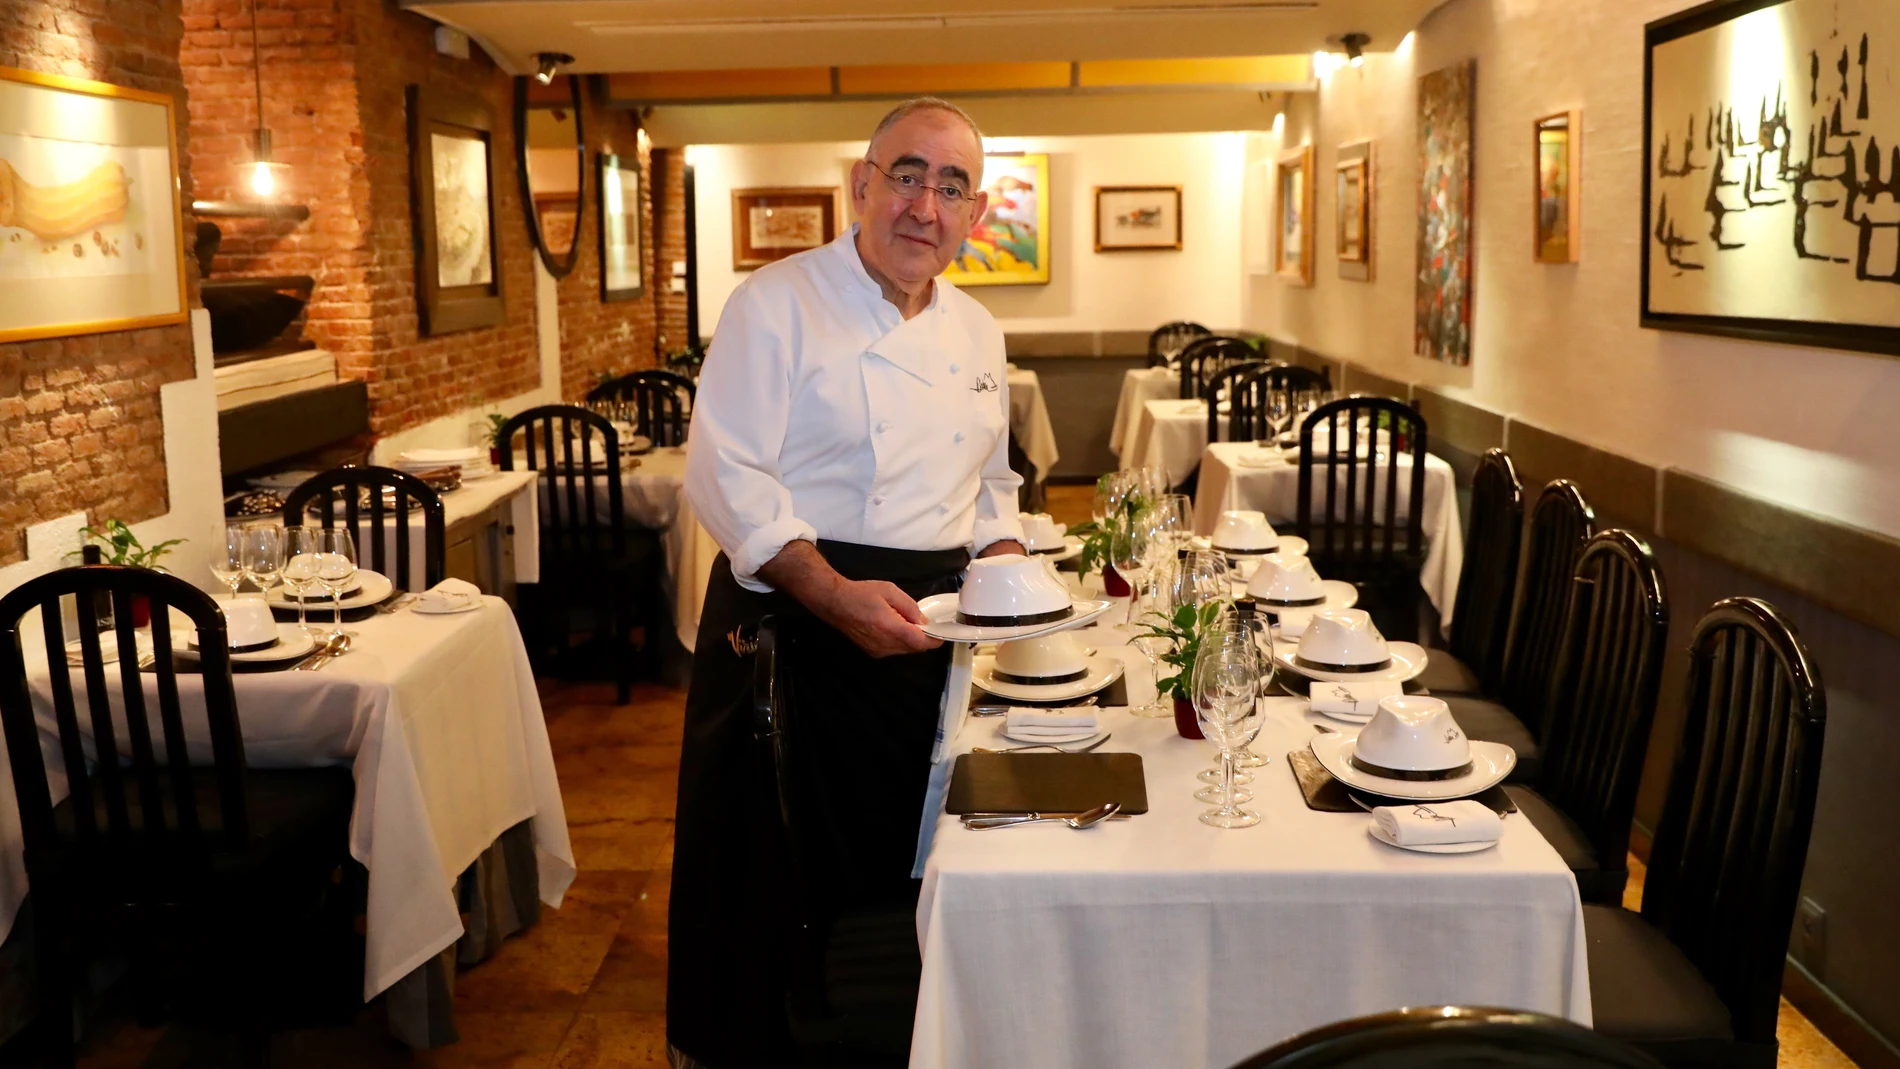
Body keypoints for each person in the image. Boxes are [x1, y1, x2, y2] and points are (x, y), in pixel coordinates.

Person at [667, 97, 1027, 1068]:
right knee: (781, 878)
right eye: (907, 175)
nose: (925, 205)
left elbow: (991, 484)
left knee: (901, 864)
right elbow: (727, 474)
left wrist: (1000, 560)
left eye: (952, 186)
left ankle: (901, 1038)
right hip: (793, 623)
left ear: (976, 211)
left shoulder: (979, 327)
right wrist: (830, 593)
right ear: (860, 184)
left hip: (925, 633)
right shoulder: (775, 301)